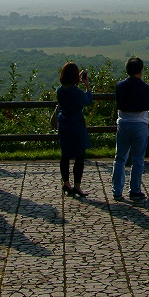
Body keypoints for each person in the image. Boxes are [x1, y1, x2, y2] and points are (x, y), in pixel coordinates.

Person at [113, 56, 149, 202]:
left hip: (123, 123)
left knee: (120, 158)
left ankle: (117, 191)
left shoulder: (119, 86)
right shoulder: (146, 88)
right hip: (140, 124)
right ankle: (135, 190)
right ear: (140, 71)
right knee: (138, 159)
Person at [54, 61, 93, 197]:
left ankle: (66, 183)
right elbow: (87, 100)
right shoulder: (76, 92)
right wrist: (87, 85)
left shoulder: (59, 90)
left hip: (63, 124)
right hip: (76, 125)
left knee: (65, 155)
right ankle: (77, 186)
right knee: (79, 156)